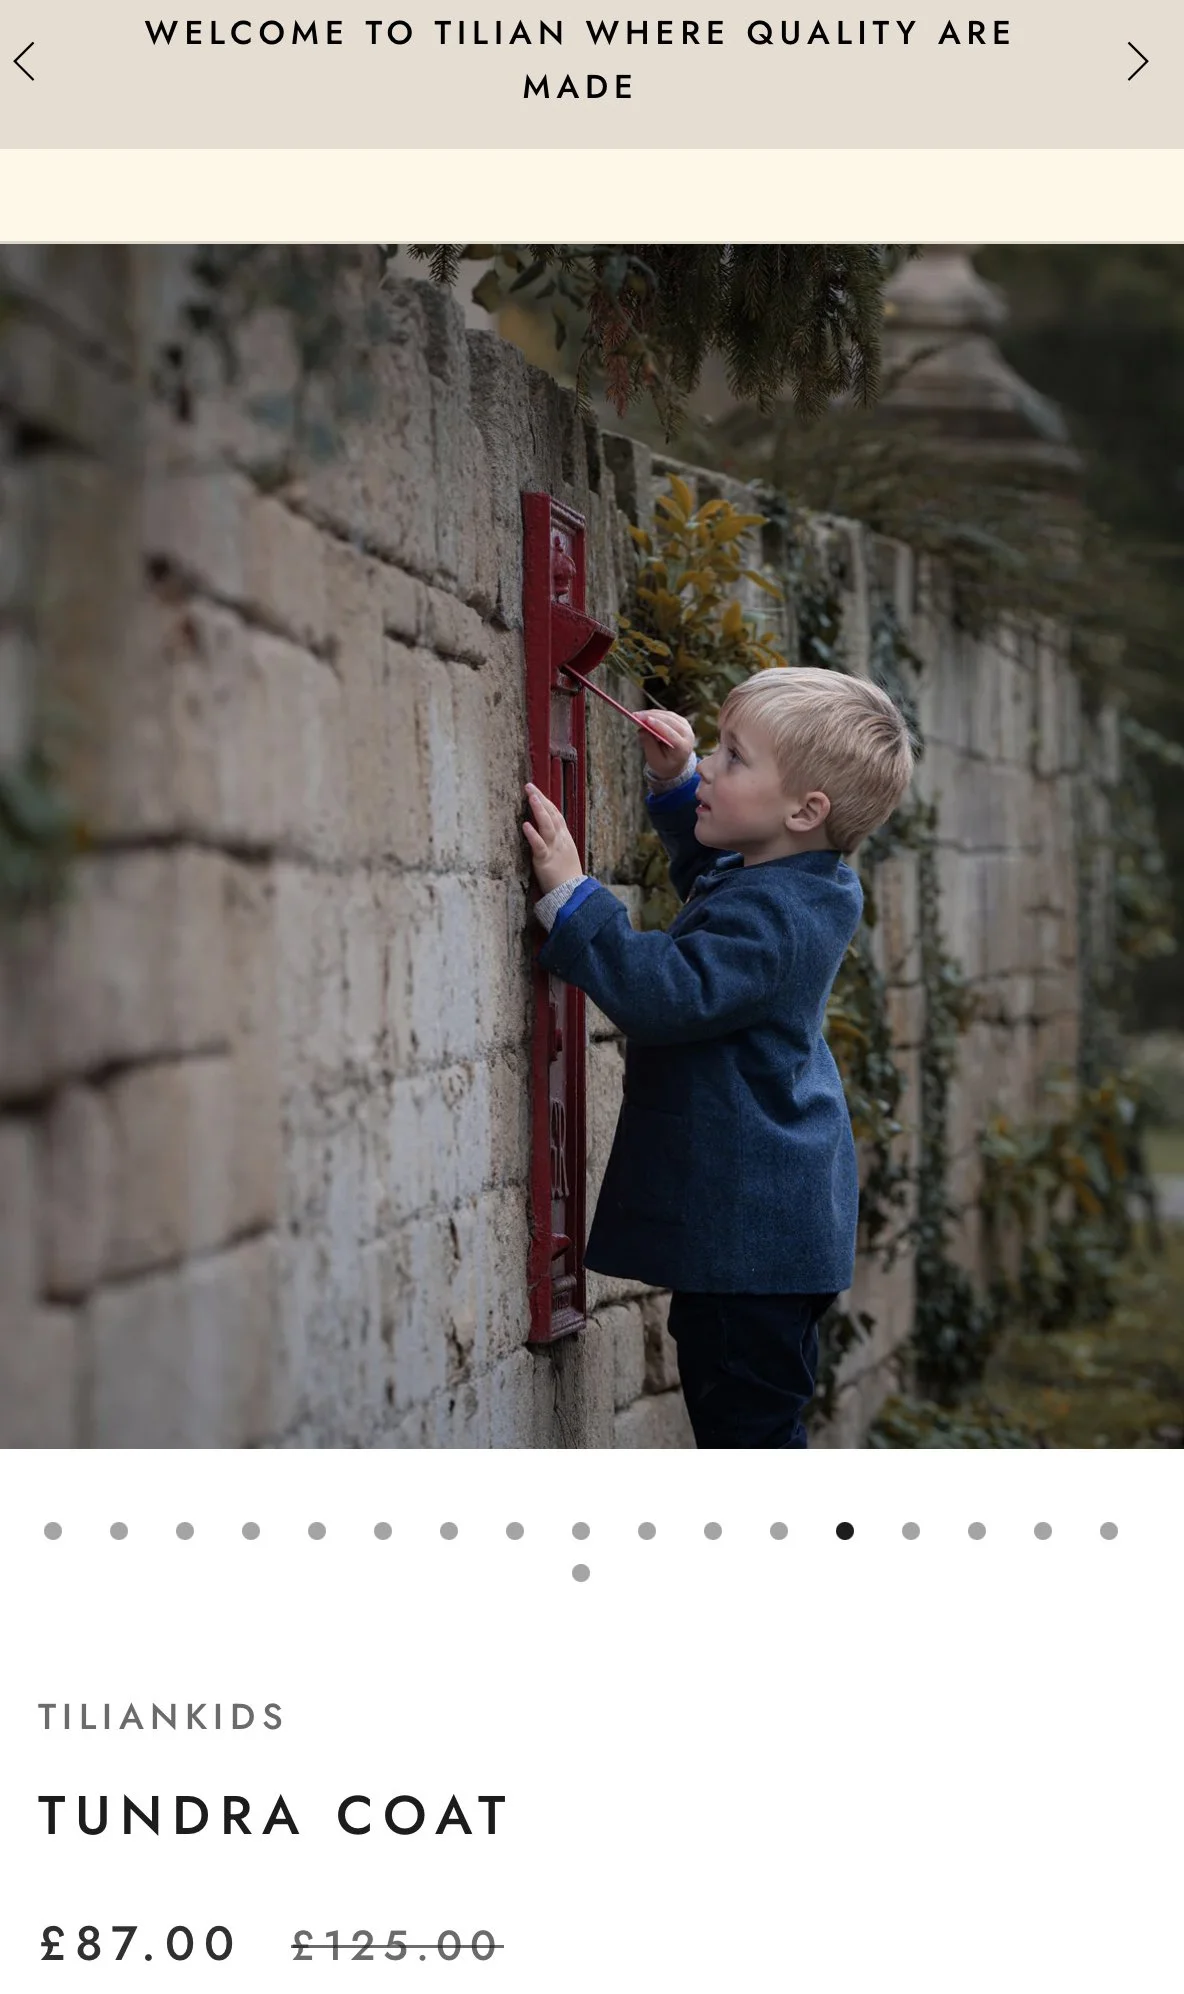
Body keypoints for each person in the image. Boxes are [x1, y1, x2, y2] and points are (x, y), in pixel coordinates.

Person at [522, 664, 915, 1448]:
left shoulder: (781, 918)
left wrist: (573, 896)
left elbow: (668, 993)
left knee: (750, 1440)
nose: (713, 765)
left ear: (806, 809)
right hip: (767, 1235)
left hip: (755, 1244)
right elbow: (719, 879)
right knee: (754, 1428)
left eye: (735, 758)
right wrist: (677, 785)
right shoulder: (796, 880)